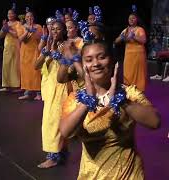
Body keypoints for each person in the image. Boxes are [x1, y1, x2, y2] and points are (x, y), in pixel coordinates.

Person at [60, 40, 160, 179]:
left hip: (128, 174)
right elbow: (65, 131)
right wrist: (88, 100)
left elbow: (155, 122)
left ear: (112, 61)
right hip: (91, 175)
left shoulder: (129, 93)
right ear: (83, 66)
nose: (96, 64)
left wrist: (121, 101)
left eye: (102, 57)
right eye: (89, 60)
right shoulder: (76, 98)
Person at [35, 21, 83, 168]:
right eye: (52, 28)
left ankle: (54, 156)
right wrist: (45, 52)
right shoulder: (48, 45)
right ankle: (61, 152)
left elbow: (74, 69)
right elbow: (36, 66)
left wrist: (60, 57)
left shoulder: (67, 46)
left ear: (63, 31)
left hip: (61, 87)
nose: (54, 31)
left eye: (58, 29)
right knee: (51, 120)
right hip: (49, 87)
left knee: (53, 121)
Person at [114, 8, 147, 91]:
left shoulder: (140, 29)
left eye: (133, 18)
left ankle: (139, 90)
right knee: (128, 72)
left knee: (138, 73)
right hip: (128, 55)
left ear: (137, 20)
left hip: (138, 55)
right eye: (129, 18)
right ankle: (128, 89)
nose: (131, 20)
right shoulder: (126, 30)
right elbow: (116, 41)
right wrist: (121, 37)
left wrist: (134, 36)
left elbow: (143, 40)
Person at [17, 8, 42, 100]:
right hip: (25, 52)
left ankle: (38, 93)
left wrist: (34, 31)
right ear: (25, 18)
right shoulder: (22, 27)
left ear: (33, 17)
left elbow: (41, 38)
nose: (29, 18)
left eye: (31, 16)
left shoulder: (38, 27)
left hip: (35, 51)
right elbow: (20, 39)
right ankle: (27, 92)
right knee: (26, 72)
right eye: (27, 16)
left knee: (36, 72)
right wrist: (28, 31)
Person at [0, 4, 21, 92]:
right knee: (6, 65)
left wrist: (8, 29)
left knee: (15, 66)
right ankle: (6, 85)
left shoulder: (18, 23)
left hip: (15, 47)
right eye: (8, 14)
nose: (9, 15)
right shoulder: (6, 24)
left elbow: (17, 35)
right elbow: (0, 36)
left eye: (11, 13)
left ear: (15, 15)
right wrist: (4, 28)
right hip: (7, 47)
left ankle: (16, 85)